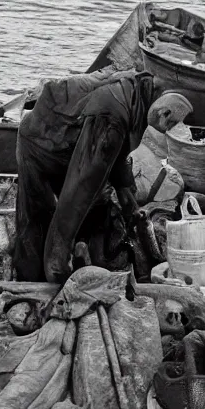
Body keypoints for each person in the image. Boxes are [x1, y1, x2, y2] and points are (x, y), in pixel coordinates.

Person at [13, 68, 193, 284]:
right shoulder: (111, 117)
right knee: (38, 220)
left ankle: (77, 256)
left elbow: (118, 151)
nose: (167, 130)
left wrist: (125, 189)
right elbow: (79, 190)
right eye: (171, 124)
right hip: (39, 146)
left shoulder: (137, 94)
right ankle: (34, 283)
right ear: (164, 113)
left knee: (97, 208)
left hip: (69, 144)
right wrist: (58, 263)